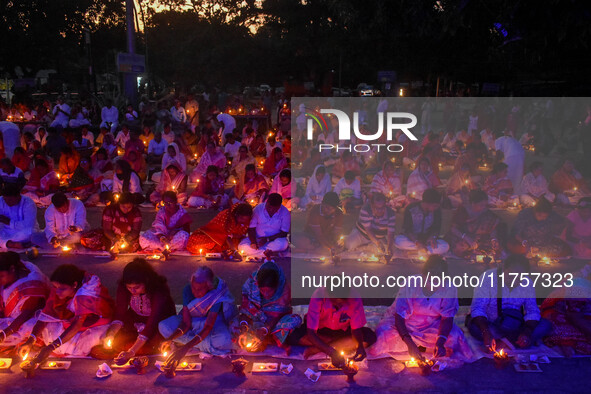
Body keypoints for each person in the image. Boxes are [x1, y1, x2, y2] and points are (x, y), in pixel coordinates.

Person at [372, 255, 473, 360]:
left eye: (438, 275)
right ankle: (422, 348)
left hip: (432, 325)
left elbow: (447, 318)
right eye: (430, 273)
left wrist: (440, 342)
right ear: (423, 273)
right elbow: (399, 317)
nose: (433, 277)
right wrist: (409, 343)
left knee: (455, 336)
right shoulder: (411, 284)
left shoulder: (449, 288)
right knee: (383, 334)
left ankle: (421, 348)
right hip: (406, 324)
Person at [19, 265, 114, 361]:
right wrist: (30, 340)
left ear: (74, 285)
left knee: (78, 349)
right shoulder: (58, 288)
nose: (57, 292)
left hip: (94, 325)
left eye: (62, 288)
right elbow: (46, 315)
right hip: (70, 321)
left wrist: (51, 347)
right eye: (56, 287)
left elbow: (77, 324)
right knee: (36, 326)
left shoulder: (85, 295)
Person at [96, 259, 176, 362]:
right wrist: (111, 334)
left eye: (137, 287)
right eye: (129, 287)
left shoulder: (158, 290)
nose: (133, 291)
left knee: (157, 346)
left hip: (159, 322)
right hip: (135, 319)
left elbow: (152, 322)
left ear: (146, 281)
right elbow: (120, 313)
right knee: (115, 341)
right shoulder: (123, 287)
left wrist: (131, 352)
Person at [467, 254, 551, 350]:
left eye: (520, 277)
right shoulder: (488, 278)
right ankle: (511, 342)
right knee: (475, 328)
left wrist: (526, 332)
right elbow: (478, 308)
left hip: (516, 325)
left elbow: (532, 311)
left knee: (545, 325)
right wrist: (486, 332)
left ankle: (506, 341)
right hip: (492, 324)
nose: (515, 280)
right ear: (503, 269)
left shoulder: (527, 283)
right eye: (511, 276)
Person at [159, 266, 236, 369]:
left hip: (213, 324)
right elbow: (186, 323)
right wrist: (170, 339)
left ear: (209, 287)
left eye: (200, 289)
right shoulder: (187, 290)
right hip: (192, 322)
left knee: (224, 339)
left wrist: (185, 348)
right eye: (193, 288)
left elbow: (208, 326)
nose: (195, 292)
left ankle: (189, 344)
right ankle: (204, 346)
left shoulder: (216, 294)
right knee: (163, 326)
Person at [287, 287, 376, 364]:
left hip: (343, 331)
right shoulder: (318, 295)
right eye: (334, 302)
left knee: (369, 336)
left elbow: (356, 329)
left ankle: (319, 347)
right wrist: (332, 353)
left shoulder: (354, 298)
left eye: (342, 303)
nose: (338, 306)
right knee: (292, 336)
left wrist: (359, 346)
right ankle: (337, 344)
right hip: (320, 330)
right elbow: (311, 333)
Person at [233, 262, 301, 353]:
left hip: (275, 321)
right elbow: (246, 310)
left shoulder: (284, 289)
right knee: (232, 323)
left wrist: (264, 329)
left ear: (276, 287)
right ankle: (264, 339)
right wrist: (244, 328)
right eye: (262, 290)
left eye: (270, 291)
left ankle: (267, 338)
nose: (266, 294)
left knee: (293, 321)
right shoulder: (251, 284)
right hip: (255, 318)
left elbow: (279, 315)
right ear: (258, 285)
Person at [0, 252, 49, 347]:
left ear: (12, 269)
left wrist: (4, 334)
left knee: (31, 327)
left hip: (26, 320)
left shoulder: (32, 282)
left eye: (1, 276)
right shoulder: (10, 270)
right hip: (8, 318)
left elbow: (27, 313)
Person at [540, 265, 591, 356]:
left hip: (583, 315)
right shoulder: (578, 284)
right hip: (563, 313)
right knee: (560, 330)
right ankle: (566, 344)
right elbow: (574, 316)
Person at [446, 189, 505, 259]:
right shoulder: (463, 211)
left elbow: (493, 227)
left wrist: (494, 239)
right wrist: (466, 238)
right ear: (473, 203)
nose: (484, 207)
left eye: (485, 205)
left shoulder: (486, 213)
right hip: (464, 237)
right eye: (481, 205)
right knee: (460, 247)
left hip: (481, 239)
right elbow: (453, 229)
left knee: (495, 247)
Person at [395, 188, 449, 256]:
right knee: (398, 240)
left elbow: (436, 228)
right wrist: (417, 242)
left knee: (445, 246)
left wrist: (432, 237)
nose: (436, 208)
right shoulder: (411, 208)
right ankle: (424, 250)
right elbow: (407, 230)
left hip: (427, 241)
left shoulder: (437, 211)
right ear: (427, 203)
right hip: (413, 240)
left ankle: (417, 251)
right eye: (435, 206)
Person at [187, 203, 253, 255]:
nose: (244, 221)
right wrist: (234, 250)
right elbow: (222, 234)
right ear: (236, 215)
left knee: (239, 246)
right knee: (195, 243)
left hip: (232, 241)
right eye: (242, 219)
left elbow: (243, 234)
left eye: (246, 219)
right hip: (213, 235)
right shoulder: (225, 215)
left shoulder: (248, 220)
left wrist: (235, 238)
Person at [238, 193, 290, 259]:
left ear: (279, 206)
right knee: (241, 246)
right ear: (267, 202)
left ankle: (258, 253)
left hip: (273, 241)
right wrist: (253, 242)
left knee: (284, 244)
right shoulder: (258, 209)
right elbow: (251, 228)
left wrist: (267, 239)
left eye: (274, 209)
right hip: (257, 239)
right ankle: (270, 253)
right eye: (269, 207)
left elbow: (284, 233)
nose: (271, 210)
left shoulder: (285, 212)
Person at [344, 192, 396, 258]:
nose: (379, 211)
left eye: (382, 208)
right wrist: (378, 243)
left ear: (385, 205)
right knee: (349, 245)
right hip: (362, 234)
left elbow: (390, 233)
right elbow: (369, 230)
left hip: (379, 237)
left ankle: (364, 247)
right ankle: (367, 245)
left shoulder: (391, 213)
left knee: (387, 251)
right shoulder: (365, 209)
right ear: (372, 205)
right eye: (377, 208)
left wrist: (389, 247)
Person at [0, 183, 38, 249]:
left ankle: (9, 244)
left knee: (31, 232)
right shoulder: (1, 201)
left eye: (10, 200)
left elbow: (28, 225)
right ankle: (11, 244)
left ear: (18, 196)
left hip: (23, 233)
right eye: (5, 200)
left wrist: (9, 222)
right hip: (5, 232)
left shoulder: (28, 203)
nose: (7, 202)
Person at [495, 129, 525, 194]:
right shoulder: (510, 139)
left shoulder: (498, 140)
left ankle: (506, 192)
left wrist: (495, 166)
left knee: (506, 173)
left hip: (512, 155)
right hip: (521, 153)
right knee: (518, 176)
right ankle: (516, 193)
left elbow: (497, 154)